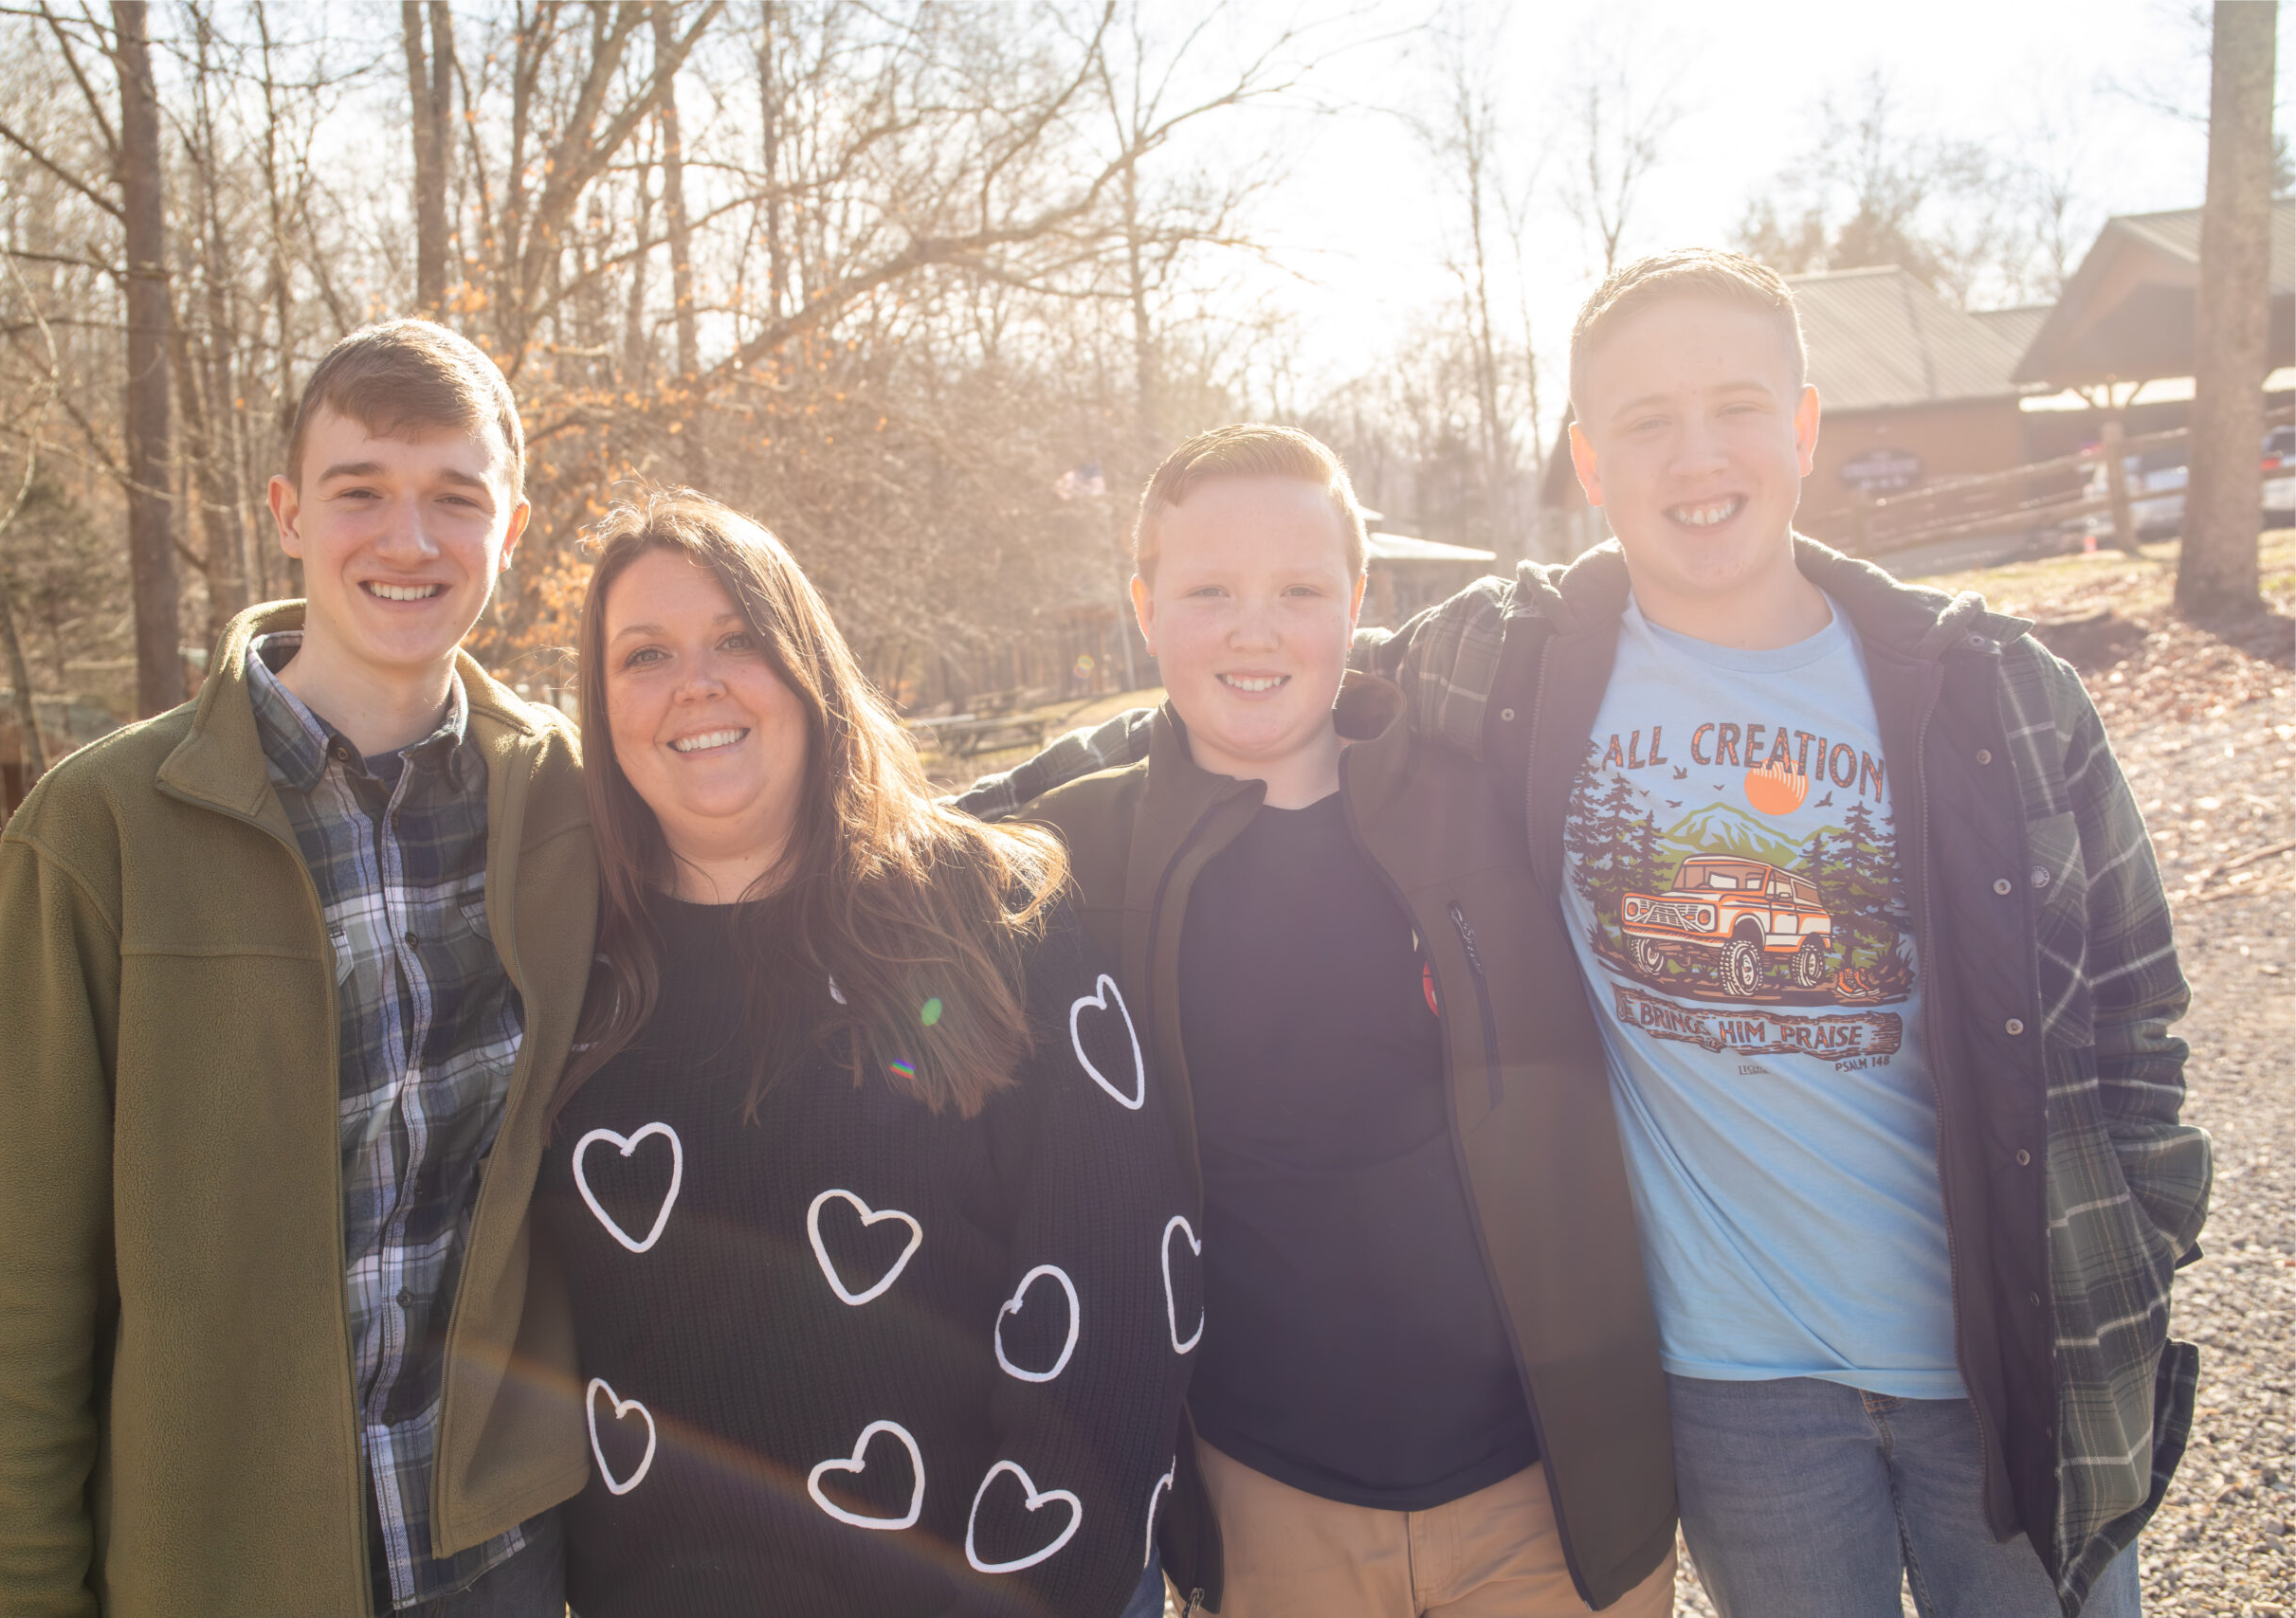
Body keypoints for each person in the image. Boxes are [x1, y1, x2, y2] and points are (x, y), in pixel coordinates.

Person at [965, 254, 2209, 1618]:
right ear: (1587, 461)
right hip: (1737, 1386)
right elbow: (1230, 704)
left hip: (2003, 1353)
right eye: (1644, 422)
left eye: (1735, 407)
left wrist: (2127, 1244)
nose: (1696, 458)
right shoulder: (1511, 665)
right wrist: (884, 821)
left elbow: (2135, 1007)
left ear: (1803, 428)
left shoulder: (1984, 688)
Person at [0, 318, 593, 1615]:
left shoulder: (569, 798)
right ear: (289, 511)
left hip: (499, 1559)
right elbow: (23, 1300)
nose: (408, 540)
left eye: (454, 500)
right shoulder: (100, 831)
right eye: (361, 491)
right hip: (215, 1568)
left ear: (510, 532)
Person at [993, 426, 1676, 1618]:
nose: (1254, 630)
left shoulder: (1487, 802)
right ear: (1144, 610)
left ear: (1357, 603)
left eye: (1299, 590)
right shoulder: (1075, 852)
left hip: (1542, 1496)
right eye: (1208, 592)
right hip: (1266, 1504)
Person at [527, 488, 1194, 1618]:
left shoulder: (988, 908)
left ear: (808, 666)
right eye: (646, 655)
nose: (697, 682)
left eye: (738, 638)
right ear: (600, 707)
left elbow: (1121, 1279)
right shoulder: (566, 968)